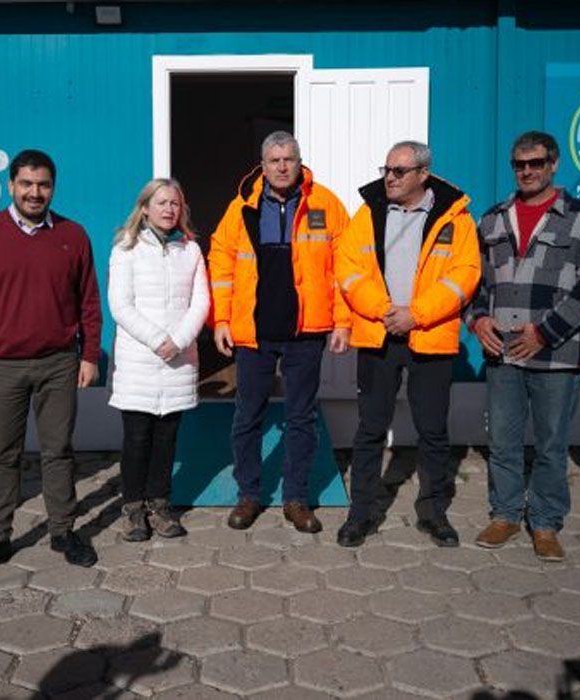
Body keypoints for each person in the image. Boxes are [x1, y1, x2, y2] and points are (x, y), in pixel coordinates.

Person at [0, 149, 102, 573]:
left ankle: (63, 531)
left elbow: (88, 301)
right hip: (2, 364)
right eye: (27, 184)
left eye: (43, 185)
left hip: (59, 362)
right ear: (11, 185)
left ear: (53, 187)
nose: (35, 193)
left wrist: (89, 354)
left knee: (58, 451)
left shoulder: (73, 234)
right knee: (4, 454)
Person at [466, 131, 580, 561]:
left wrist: (545, 331)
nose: (527, 171)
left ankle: (545, 523)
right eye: (519, 164)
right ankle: (506, 514)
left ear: (553, 164)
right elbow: (474, 283)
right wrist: (477, 320)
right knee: (504, 440)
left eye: (536, 163)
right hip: (502, 351)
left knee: (551, 443)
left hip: (556, 351)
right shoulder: (492, 220)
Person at [335, 141, 480, 548]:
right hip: (379, 334)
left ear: (423, 174)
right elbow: (348, 269)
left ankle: (433, 514)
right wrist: (383, 310)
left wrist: (416, 315)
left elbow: (464, 277)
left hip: (428, 336)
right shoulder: (367, 213)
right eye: (387, 169)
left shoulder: (457, 219)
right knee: (370, 430)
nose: (390, 178)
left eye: (399, 171)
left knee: (433, 431)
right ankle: (360, 514)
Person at [208, 131, 350, 534]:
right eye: (274, 160)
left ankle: (296, 498)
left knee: (301, 417)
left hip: (306, 331)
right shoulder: (242, 207)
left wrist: (343, 321)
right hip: (254, 332)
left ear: (300, 161)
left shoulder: (326, 203)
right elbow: (220, 261)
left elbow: (346, 267)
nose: (282, 167)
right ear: (262, 165)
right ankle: (249, 495)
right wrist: (220, 319)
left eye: (289, 159)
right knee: (247, 416)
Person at [107, 178, 210, 541]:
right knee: (137, 439)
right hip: (140, 363)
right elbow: (120, 304)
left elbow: (201, 302)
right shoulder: (126, 248)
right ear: (145, 207)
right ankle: (133, 509)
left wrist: (179, 341)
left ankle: (160, 504)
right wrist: (156, 340)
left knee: (167, 440)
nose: (169, 209)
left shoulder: (191, 251)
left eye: (175, 204)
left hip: (178, 363)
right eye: (162, 202)